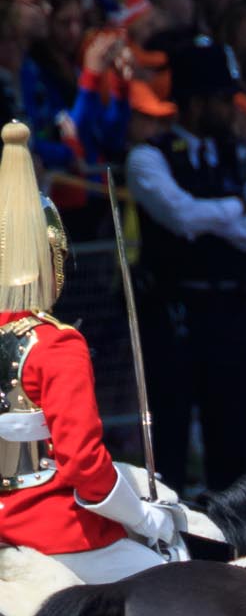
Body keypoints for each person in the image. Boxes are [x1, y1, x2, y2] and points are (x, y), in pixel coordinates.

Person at [0, 122, 174, 579]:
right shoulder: (55, 343)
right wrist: (143, 518)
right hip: (51, 530)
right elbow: (83, 463)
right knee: (170, 572)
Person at [126, 39, 246, 491]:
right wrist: (234, 209)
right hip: (173, 315)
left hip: (229, 315)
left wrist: (209, 216)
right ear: (195, 103)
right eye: (221, 99)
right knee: (168, 441)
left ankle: (233, 546)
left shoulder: (244, 158)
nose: (232, 110)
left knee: (234, 442)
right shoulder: (149, 157)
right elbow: (179, 215)